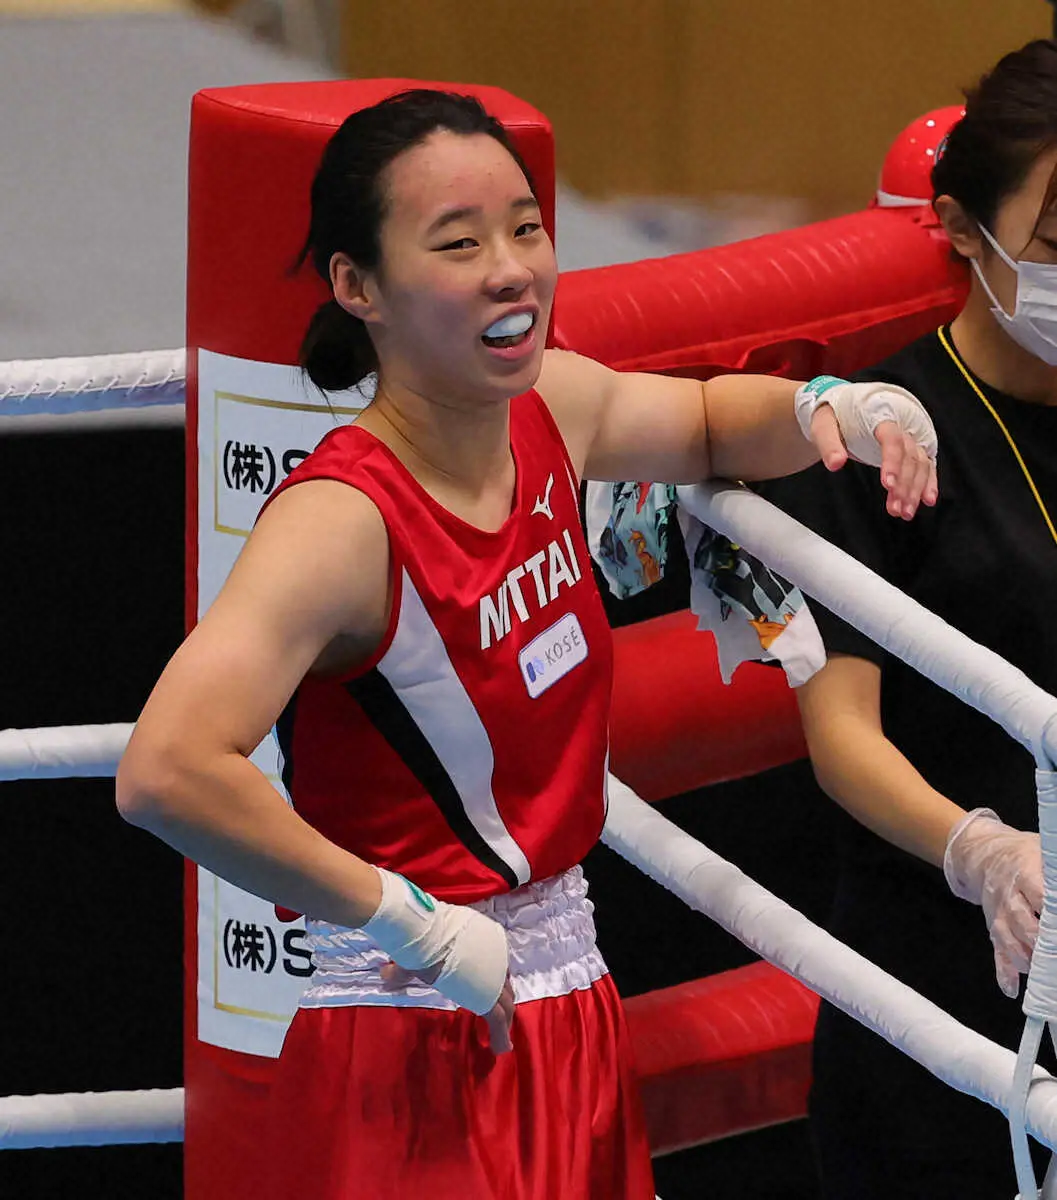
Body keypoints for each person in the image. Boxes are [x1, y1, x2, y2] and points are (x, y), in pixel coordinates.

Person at [115, 89, 937, 1200]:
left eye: (526, 228)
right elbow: (166, 770)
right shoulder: (340, 524)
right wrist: (402, 920)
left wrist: (827, 406)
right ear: (358, 286)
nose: (510, 268)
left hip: (567, 994)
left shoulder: (548, 405)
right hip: (408, 1024)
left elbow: (696, 424)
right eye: (458, 243)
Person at [757, 39, 1057, 1200]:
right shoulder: (874, 440)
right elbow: (841, 741)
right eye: (1052, 237)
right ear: (959, 230)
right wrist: (978, 855)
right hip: (936, 991)